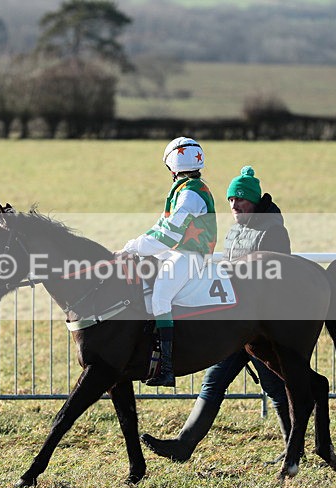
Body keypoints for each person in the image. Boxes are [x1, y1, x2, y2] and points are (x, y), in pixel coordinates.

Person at [140, 165, 293, 462]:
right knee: (213, 382)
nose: (234, 206)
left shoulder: (273, 231)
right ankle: (184, 445)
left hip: (258, 325)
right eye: (231, 200)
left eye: (241, 200)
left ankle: (293, 449)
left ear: (254, 201)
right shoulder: (237, 229)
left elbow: (277, 276)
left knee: (274, 386)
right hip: (235, 325)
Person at [117, 137, 217, 387]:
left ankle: (167, 368)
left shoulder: (190, 193)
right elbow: (160, 228)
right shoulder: (186, 189)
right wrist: (136, 246)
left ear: (172, 167)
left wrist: (133, 246)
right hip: (180, 250)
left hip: (191, 255)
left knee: (160, 296)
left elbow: (167, 235)